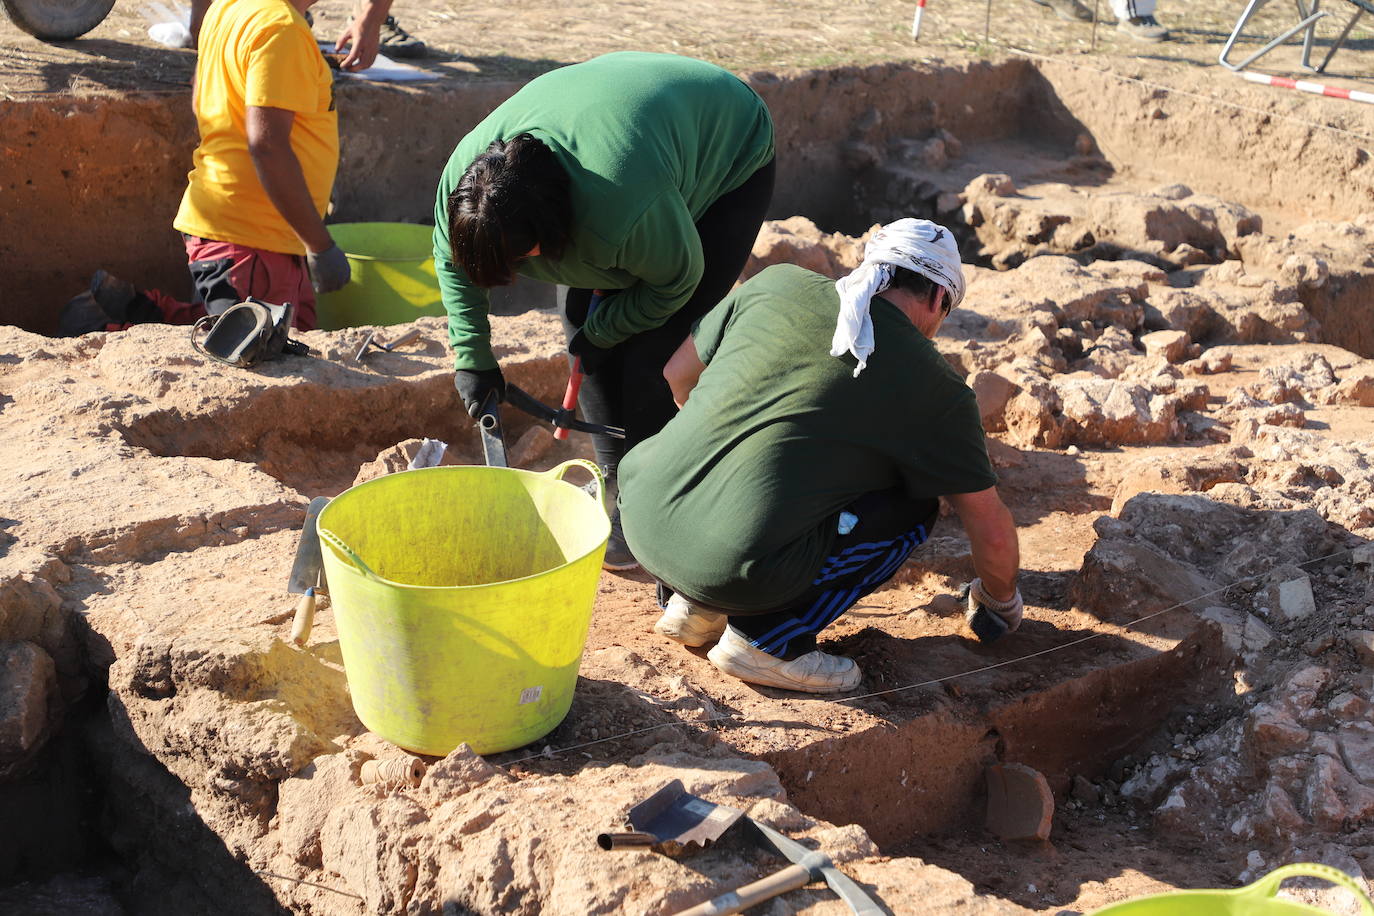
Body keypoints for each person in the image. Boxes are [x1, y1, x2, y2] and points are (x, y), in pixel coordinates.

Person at [617, 219, 1024, 694]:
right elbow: (988, 525)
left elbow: (678, 375)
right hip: (730, 564)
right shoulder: (937, 387)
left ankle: (691, 605)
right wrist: (999, 600)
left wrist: (725, 449)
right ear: (938, 298)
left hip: (642, 520)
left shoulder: (776, 282)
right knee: (911, 508)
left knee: (743, 487)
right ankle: (766, 640)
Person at [434, 51, 776, 571]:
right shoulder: (464, 187)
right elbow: (451, 262)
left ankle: (655, 509)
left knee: (653, 358)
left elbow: (677, 280)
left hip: (726, 140)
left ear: (547, 238)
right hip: (628, 129)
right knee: (582, 331)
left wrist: (611, 327)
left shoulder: (621, 210)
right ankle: (619, 484)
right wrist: (473, 358)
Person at [60, 0, 350, 336]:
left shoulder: (232, 6)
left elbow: (201, 95)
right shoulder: (282, 30)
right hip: (253, 238)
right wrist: (320, 246)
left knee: (282, 340)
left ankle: (137, 309)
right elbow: (267, 147)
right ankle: (107, 329)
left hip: (254, 233)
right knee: (255, 354)